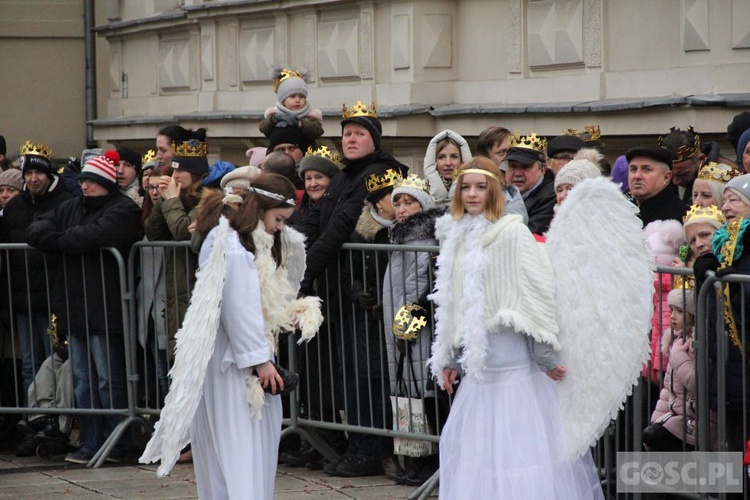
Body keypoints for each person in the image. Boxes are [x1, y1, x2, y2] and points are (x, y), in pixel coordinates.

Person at [427, 156, 603, 499]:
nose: (472, 194)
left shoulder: (513, 232)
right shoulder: (456, 237)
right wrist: (449, 356)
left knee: (520, 452)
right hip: (480, 371)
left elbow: (535, 294)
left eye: (481, 187)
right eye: (465, 187)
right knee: (480, 452)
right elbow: (454, 303)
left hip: (515, 368)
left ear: (495, 190)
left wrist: (545, 355)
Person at [140, 173, 323, 499]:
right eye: (278, 219)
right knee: (240, 449)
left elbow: (257, 301)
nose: (280, 227)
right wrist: (261, 361)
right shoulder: (235, 246)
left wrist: (284, 315)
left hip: (230, 359)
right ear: (261, 208)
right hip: (234, 365)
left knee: (234, 448)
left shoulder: (241, 240)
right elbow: (238, 309)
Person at [295, 100, 409, 477]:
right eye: (346, 134)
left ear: (374, 139)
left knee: (367, 372)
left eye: (360, 133)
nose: (351, 139)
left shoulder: (380, 173)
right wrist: (294, 254)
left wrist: (305, 274)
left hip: (369, 293)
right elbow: (315, 221)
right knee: (347, 372)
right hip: (341, 288)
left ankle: (370, 447)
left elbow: (340, 228)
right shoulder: (345, 175)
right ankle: (356, 443)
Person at [26, 154, 141, 464]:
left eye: (90, 181)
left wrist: (60, 240)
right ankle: (90, 441)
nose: (85, 185)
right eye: (83, 181)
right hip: (75, 307)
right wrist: (62, 239)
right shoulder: (72, 207)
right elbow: (36, 228)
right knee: (82, 379)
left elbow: (100, 234)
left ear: (105, 182)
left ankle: (117, 442)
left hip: (107, 308)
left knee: (108, 379)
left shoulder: (123, 209)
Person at [381, 174, 444, 486]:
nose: (402, 208)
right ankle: (416, 457)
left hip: (420, 329)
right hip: (400, 329)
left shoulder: (430, 240)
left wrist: (416, 319)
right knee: (407, 392)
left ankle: (433, 459)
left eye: (409, 201)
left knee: (424, 391)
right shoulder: (397, 239)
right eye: (398, 202)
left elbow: (431, 287)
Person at [1, 141, 74, 406]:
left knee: (53, 361)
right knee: (29, 364)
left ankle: (56, 423)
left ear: (48, 175)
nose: (33, 179)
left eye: (38, 174)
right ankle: (32, 418)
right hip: (22, 299)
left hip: (53, 298)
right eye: (28, 174)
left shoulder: (65, 202)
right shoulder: (14, 207)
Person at [144, 135, 208, 356]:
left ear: (196, 174)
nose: (175, 176)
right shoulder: (176, 196)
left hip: (196, 286)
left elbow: (182, 231)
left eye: (181, 172)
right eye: (174, 171)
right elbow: (153, 233)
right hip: (177, 289)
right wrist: (164, 199)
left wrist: (171, 200)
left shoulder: (208, 199)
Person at [504, 132, 555, 235]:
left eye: (525, 167)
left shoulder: (550, 198)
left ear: (543, 169)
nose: (517, 173)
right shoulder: (498, 192)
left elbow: (528, 236)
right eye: (513, 166)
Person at [259, 67, 323, 145]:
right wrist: (274, 119)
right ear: (283, 100)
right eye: (292, 96)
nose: (297, 100)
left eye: (301, 97)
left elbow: (317, 131)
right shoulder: (274, 114)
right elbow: (264, 128)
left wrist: (300, 123)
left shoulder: (310, 116)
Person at [626, 145, 687, 227]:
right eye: (633, 169)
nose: (637, 176)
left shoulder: (679, 217)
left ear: (666, 177)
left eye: (646, 169)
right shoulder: (623, 209)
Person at [288, 145, 342, 226]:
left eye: (319, 177)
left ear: (333, 180)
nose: (313, 184)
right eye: (308, 178)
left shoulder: (342, 212)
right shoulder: (295, 214)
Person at [659, 126, 706, 206]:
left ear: (701, 160)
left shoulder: (720, 181)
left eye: (683, 174)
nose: (675, 181)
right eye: (670, 175)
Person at [422, 130, 471, 206]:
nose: (448, 163)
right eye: (441, 157)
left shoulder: (473, 190)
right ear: (434, 160)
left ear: (462, 160)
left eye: (454, 156)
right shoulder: (420, 190)